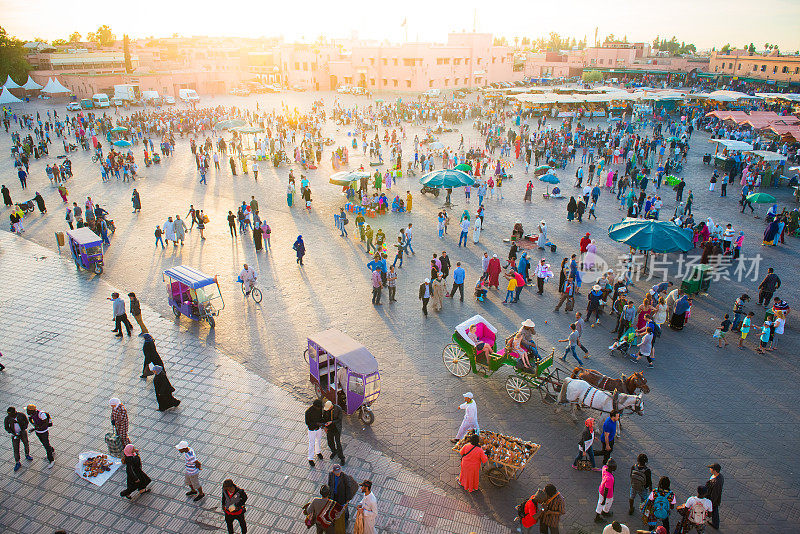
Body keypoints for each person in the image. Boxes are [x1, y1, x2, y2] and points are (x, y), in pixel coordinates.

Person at [26, 404, 54, 468]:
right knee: (44, 443)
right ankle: (51, 450)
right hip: (38, 432)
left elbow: (45, 424)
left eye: (27, 410)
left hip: (44, 432)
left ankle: (51, 460)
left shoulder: (41, 414)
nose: (27, 412)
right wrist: (34, 425)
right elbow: (30, 419)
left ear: (31, 410)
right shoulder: (31, 414)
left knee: (46, 445)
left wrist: (36, 428)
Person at [5, 406, 32, 471]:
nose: (9, 415)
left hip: (22, 432)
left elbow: (26, 421)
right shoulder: (7, 418)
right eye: (9, 414)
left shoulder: (21, 415)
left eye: (11, 414)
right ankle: (17, 462)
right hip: (14, 434)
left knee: (26, 443)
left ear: (14, 412)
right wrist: (12, 432)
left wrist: (24, 428)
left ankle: (27, 454)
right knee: (16, 448)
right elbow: (6, 427)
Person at [594, 459, 617, 523]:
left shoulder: (604, 468)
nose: (616, 468)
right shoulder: (610, 478)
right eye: (614, 467)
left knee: (601, 503)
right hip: (607, 494)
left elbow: (605, 465)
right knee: (604, 503)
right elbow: (606, 489)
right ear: (611, 468)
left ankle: (604, 511)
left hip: (601, 489)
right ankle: (599, 516)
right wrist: (604, 499)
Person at [705, 463, 724, 529]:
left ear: (714, 470)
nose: (710, 469)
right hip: (713, 498)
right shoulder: (719, 476)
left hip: (713, 499)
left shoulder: (716, 482)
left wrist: (711, 503)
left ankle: (715, 524)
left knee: (714, 510)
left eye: (711, 468)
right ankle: (715, 523)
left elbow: (714, 494)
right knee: (715, 510)